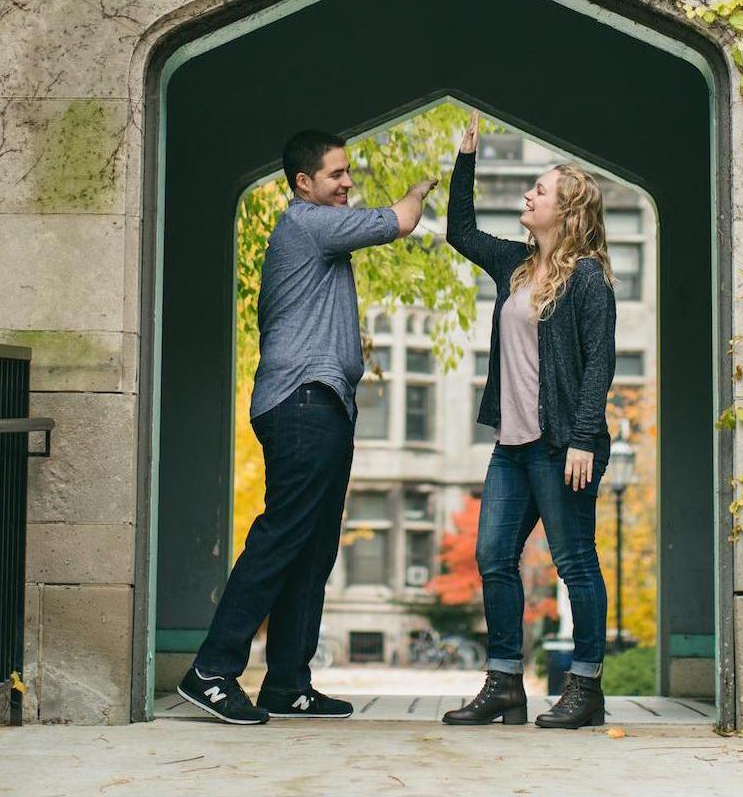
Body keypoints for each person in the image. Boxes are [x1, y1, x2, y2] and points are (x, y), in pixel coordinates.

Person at [178, 129, 438, 725]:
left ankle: (287, 683)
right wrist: (419, 189)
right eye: (336, 174)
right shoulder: (307, 223)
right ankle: (212, 670)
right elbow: (399, 221)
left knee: (314, 547)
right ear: (303, 183)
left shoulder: (317, 230)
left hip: (324, 405)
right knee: (282, 535)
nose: (347, 182)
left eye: (348, 172)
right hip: (303, 403)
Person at [441, 111, 617, 731]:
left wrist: (584, 438)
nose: (527, 196)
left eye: (539, 191)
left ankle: (585, 688)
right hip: (512, 446)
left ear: (566, 211)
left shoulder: (588, 278)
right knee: (493, 557)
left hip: (563, 446)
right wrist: (466, 159)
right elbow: (460, 231)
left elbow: (600, 362)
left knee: (575, 563)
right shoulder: (516, 265)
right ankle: (505, 684)